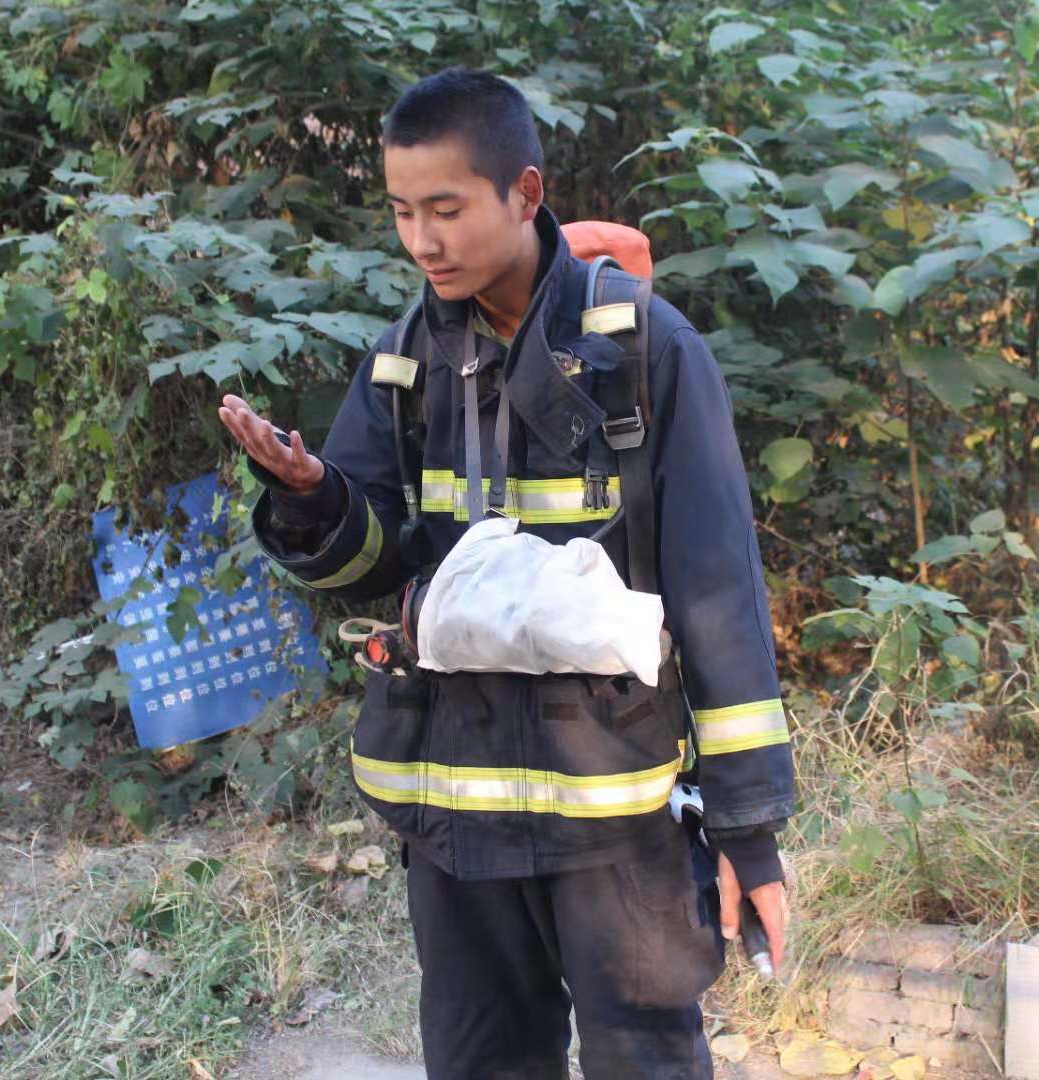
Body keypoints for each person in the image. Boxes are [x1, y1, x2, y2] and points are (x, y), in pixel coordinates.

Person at [218, 67, 795, 1079]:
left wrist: (748, 831)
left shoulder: (648, 354)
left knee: (647, 1065)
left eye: (446, 210)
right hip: (456, 820)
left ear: (526, 193)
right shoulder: (402, 365)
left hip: (614, 820)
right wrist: (311, 497)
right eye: (402, 212)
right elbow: (368, 567)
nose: (422, 241)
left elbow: (721, 600)